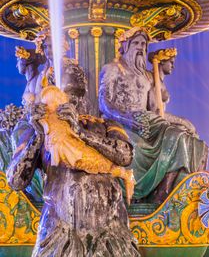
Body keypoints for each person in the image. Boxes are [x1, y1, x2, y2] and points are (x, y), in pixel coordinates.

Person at [7, 44, 140, 256]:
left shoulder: (105, 125)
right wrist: (39, 135)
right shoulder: (40, 132)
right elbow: (15, 180)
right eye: (67, 94)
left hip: (109, 234)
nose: (72, 102)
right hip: (60, 234)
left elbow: (125, 155)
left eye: (76, 94)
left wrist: (81, 132)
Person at [99, 27, 209, 204]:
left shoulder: (148, 76)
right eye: (136, 43)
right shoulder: (112, 69)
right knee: (177, 137)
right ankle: (160, 198)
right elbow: (104, 104)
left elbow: (157, 110)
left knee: (191, 139)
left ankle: (172, 193)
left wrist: (182, 121)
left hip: (149, 120)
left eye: (144, 44)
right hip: (121, 121)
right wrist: (128, 119)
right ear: (125, 46)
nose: (140, 47)